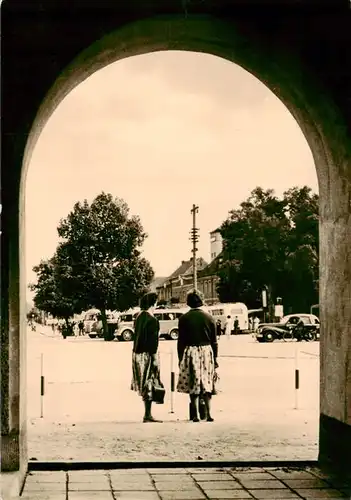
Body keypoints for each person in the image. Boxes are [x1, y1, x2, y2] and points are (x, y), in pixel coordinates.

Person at [177, 290, 218, 422]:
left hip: (190, 351)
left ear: (188, 302)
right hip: (206, 351)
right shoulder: (209, 317)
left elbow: (181, 341)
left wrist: (180, 358)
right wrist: (215, 359)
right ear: (202, 300)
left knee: (192, 382)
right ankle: (209, 414)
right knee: (207, 382)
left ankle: (195, 415)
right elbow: (214, 341)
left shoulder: (183, 319)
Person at [131, 292, 162, 423]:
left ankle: (147, 413)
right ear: (153, 303)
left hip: (137, 354)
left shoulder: (138, 317)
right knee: (149, 382)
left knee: (144, 383)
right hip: (147, 354)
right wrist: (155, 359)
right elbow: (153, 341)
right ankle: (147, 414)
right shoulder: (153, 320)